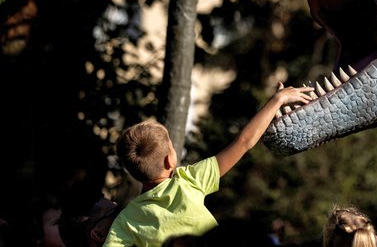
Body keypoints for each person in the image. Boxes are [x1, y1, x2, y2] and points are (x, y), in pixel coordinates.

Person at [103, 82, 314, 247]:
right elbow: (243, 142)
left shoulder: (127, 219)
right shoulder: (188, 181)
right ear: (170, 160)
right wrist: (277, 99)